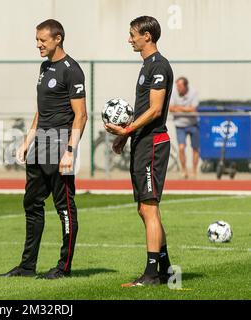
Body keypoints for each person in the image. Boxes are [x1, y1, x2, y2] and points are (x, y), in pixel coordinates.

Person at [0, 19, 87, 279]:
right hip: (40, 144)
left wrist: (70, 150)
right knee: (32, 204)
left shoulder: (72, 70)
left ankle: (64, 267)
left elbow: (81, 115)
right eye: (36, 40)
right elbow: (41, 109)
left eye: (42, 40)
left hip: (60, 145)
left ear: (57, 39)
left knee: (64, 207)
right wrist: (27, 141)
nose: (38, 45)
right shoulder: (44, 66)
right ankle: (27, 267)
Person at [105, 16, 174, 287]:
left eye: (133, 34)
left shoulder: (159, 65)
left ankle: (151, 275)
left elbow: (155, 109)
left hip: (154, 143)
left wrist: (127, 129)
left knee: (149, 207)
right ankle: (167, 270)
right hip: (143, 142)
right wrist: (127, 136)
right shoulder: (146, 66)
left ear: (147, 36)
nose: (129, 39)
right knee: (145, 209)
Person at [169, 77, 199, 179]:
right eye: (177, 86)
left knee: (195, 148)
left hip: (193, 124)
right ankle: (184, 170)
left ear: (185, 86)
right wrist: (186, 109)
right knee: (181, 148)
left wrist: (179, 108)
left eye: (180, 86)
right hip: (180, 125)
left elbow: (193, 109)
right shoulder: (173, 92)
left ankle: (194, 171)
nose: (178, 88)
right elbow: (171, 108)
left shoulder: (193, 92)